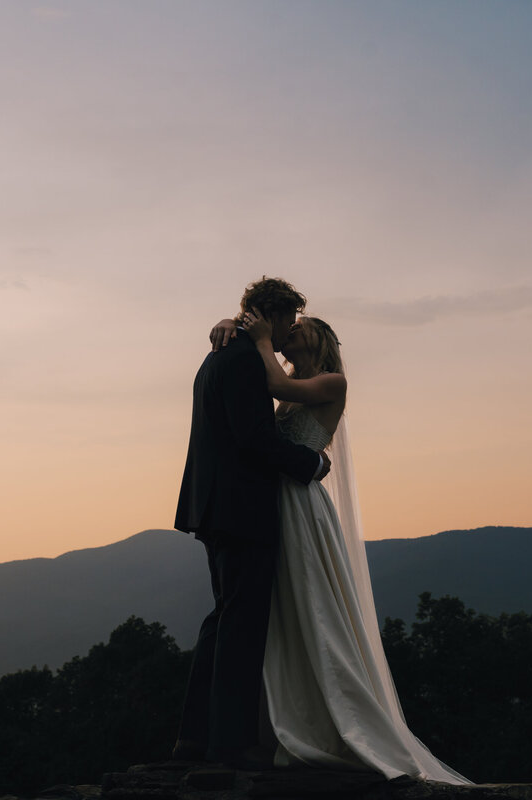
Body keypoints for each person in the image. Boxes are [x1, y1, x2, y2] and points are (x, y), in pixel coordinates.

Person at [205, 309, 469, 784]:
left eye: (300, 327)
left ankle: (333, 721)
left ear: (321, 339)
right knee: (273, 609)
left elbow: (277, 389)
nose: (292, 330)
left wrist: (260, 340)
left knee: (312, 605)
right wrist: (229, 323)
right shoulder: (278, 369)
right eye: (290, 326)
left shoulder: (332, 383)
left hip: (302, 506)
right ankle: (270, 721)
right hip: (272, 500)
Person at [173, 277, 331, 769]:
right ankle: (229, 745)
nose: (287, 336)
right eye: (289, 323)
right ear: (276, 315)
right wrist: (311, 466)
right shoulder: (243, 358)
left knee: (222, 621)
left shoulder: (220, 352)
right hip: (241, 508)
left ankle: (194, 740)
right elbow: (254, 439)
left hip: (213, 505)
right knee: (241, 626)